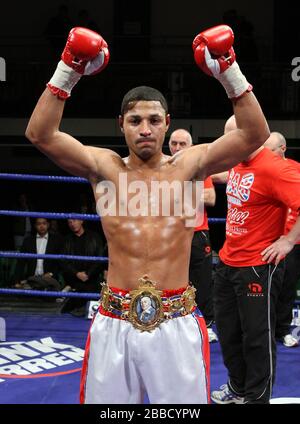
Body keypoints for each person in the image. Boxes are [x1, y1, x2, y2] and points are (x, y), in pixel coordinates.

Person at [25, 25, 271, 404]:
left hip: (175, 321)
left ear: (167, 123)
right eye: (135, 121)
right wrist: (68, 68)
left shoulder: (189, 166)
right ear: (120, 125)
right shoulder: (104, 168)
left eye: (154, 120)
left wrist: (228, 68)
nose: (145, 129)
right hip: (114, 320)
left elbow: (255, 134)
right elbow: (40, 134)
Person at [211, 117, 300, 404]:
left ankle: (256, 399)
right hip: (227, 262)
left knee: (257, 338)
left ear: (249, 136)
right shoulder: (238, 161)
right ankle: (238, 388)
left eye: (231, 138)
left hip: (258, 266)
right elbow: (229, 174)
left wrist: (287, 240)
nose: (227, 144)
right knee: (227, 333)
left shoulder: (276, 167)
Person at [169, 129, 218, 343]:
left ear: (190, 146)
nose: (178, 148)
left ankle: (206, 325)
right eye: (174, 143)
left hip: (197, 232)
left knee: (202, 282)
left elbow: (210, 198)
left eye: (182, 144)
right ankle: (173, 322)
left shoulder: (199, 167)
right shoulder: (162, 167)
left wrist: (174, 192)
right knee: (171, 280)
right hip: (171, 234)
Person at [264, 132, 300, 347]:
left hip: (292, 240)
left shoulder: (296, 170)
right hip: (269, 238)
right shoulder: (263, 171)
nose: (266, 156)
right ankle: (266, 332)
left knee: (287, 287)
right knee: (266, 288)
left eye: (271, 151)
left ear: (283, 148)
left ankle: (283, 330)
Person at [60, 219, 105, 316]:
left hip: (92, 277)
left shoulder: (95, 237)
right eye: (69, 222)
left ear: (81, 221)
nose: (72, 224)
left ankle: (73, 307)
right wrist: (77, 274)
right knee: (84, 288)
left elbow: (100, 259)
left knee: (90, 287)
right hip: (74, 278)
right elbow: (64, 262)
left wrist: (88, 274)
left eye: (74, 221)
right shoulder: (66, 240)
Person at [13, 218, 62, 291]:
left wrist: (51, 274)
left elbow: (59, 261)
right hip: (32, 280)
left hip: (49, 280)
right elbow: (21, 262)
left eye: (44, 223)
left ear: (48, 225)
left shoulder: (56, 240)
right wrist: (16, 281)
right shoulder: (28, 241)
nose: (42, 226)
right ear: (35, 226)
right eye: (39, 224)